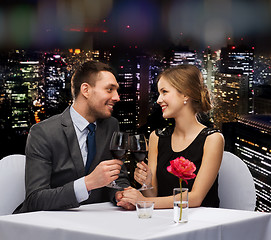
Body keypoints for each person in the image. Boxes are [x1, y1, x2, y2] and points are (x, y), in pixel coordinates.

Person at [14, 60, 132, 213]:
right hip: (49, 226)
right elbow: (35, 199)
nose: (117, 97)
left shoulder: (111, 125)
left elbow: (118, 178)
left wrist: (121, 194)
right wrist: (87, 183)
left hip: (98, 222)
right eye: (110, 89)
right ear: (86, 90)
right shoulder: (43, 133)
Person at [117, 64, 224, 209]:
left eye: (164, 92)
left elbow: (195, 198)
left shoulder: (213, 139)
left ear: (186, 94)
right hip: (165, 221)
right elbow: (152, 194)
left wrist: (143, 201)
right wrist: (147, 183)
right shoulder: (157, 137)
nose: (159, 100)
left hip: (201, 223)